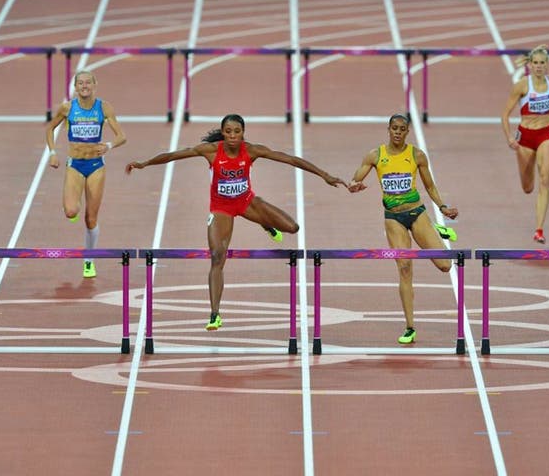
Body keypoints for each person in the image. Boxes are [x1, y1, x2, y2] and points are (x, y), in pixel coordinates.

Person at [126, 113, 346, 330]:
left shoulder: (252, 150)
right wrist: (144, 163)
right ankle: (215, 314)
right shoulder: (211, 151)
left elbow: (290, 159)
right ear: (222, 133)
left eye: (237, 132)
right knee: (217, 257)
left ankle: (265, 223)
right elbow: (173, 155)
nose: (232, 136)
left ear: (243, 133)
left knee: (292, 227)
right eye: (228, 132)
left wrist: (324, 175)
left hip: (247, 202)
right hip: (221, 209)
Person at [347, 114, 458, 344]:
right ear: (388, 129)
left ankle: (435, 229)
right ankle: (410, 326)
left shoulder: (416, 155)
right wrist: (354, 185)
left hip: (417, 213)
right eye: (394, 128)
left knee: (446, 266)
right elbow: (356, 176)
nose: (397, 132)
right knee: (405, 268)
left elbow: (429, 185)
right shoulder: (376, 155)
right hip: (393, 219)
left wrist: (443, 207)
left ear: (407, 132)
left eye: (402, 129)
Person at [46, 70, 126, 278]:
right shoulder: (67, 108)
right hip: (75, 164)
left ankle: (89, 260)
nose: (84, 86)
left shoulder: (103, 107)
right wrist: (53, 152)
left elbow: (122, 136)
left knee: (90, 219)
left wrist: (108, 145)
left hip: (96, 166)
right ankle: (74, 202)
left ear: (94, 85)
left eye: (87, 83)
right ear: (75, 86)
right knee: (71, 211)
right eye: (80, 83)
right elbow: (50, 129)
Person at [501, 44, 549, 244]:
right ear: (530, 65)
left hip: (545, 136)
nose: (539, 66)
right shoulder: (522, 85)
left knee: (545, 180)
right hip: (525, 138)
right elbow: (504, 115)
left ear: (547, 65)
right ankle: (527, 169)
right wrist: (509, 138)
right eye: (536, 63)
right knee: (527, 187)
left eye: (542, 63)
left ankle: (539, 230)